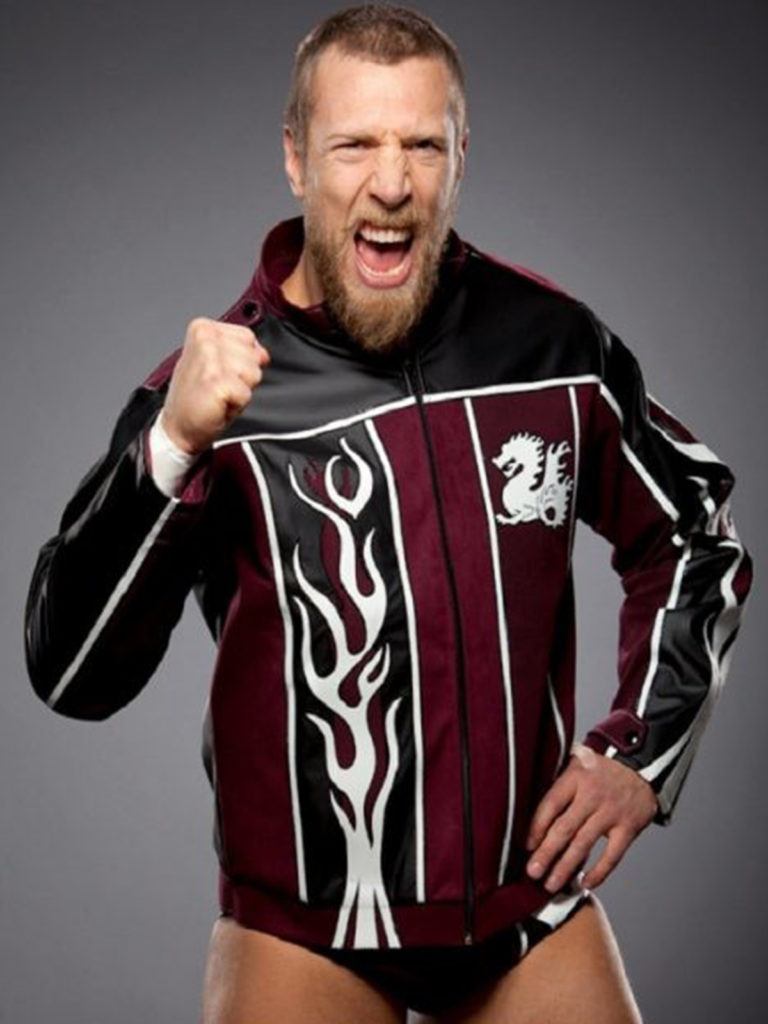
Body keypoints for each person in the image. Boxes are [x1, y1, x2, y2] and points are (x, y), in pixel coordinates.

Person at [24, 5, 752, 1023]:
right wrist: (172, 447)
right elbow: (70, 673)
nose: (393, 182)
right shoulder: (210, 395)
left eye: (422, 144)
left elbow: (694, 533)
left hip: (526, 911)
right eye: (355, 145)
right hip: (307, 929)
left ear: (461, 156)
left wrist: (642, 754)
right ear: (296, 159)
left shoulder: (553, 347)